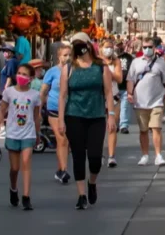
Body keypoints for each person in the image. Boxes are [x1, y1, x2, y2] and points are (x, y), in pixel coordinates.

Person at [59, 38, 116, 210]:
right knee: (78, 155)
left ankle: (92, 182)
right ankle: (81, 194)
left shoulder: (101, 67)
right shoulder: (68, 68)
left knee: (95, 157)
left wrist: (111, 115)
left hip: (96, 116)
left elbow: (108, 92)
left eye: (85, 47)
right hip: (74, 115)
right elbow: (63, 95)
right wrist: (61, 120)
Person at [127, 36, 165, 167]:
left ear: (154, 48)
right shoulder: (136, 62)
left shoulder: (161, 63)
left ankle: (158, 155)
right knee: (143, 130)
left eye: (150, 47)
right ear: (141, 48)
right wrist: (129, 93)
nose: (147, 49)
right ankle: (145, 155)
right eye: (145, 47)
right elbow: (130, 79)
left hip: (157, 101)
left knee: (156, 128)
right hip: (140, 101)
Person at [0, 62, 41, 210]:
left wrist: (38, 133)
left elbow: (36, 116)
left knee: (26, 162)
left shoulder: (35, 95)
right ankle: (13, 188)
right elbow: (2, 110)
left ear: (31, 78)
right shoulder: (9, 92)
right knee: (15, 168)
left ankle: (26, 196)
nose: (21, 76)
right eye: (19, 73)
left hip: (28, 134)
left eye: (25, 74)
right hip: (13, 133)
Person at [42, 44, 72, 182]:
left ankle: (60, 168)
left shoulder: (75, 71)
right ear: (59, 57)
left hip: (70, 109)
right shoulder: (52, 72)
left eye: (70, 55)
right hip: (54, 108)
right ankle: (64, 170)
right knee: (62, 139)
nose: (68, 58)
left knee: (67, 142)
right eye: (65, 55)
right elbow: (43, 92)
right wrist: (37, 109)